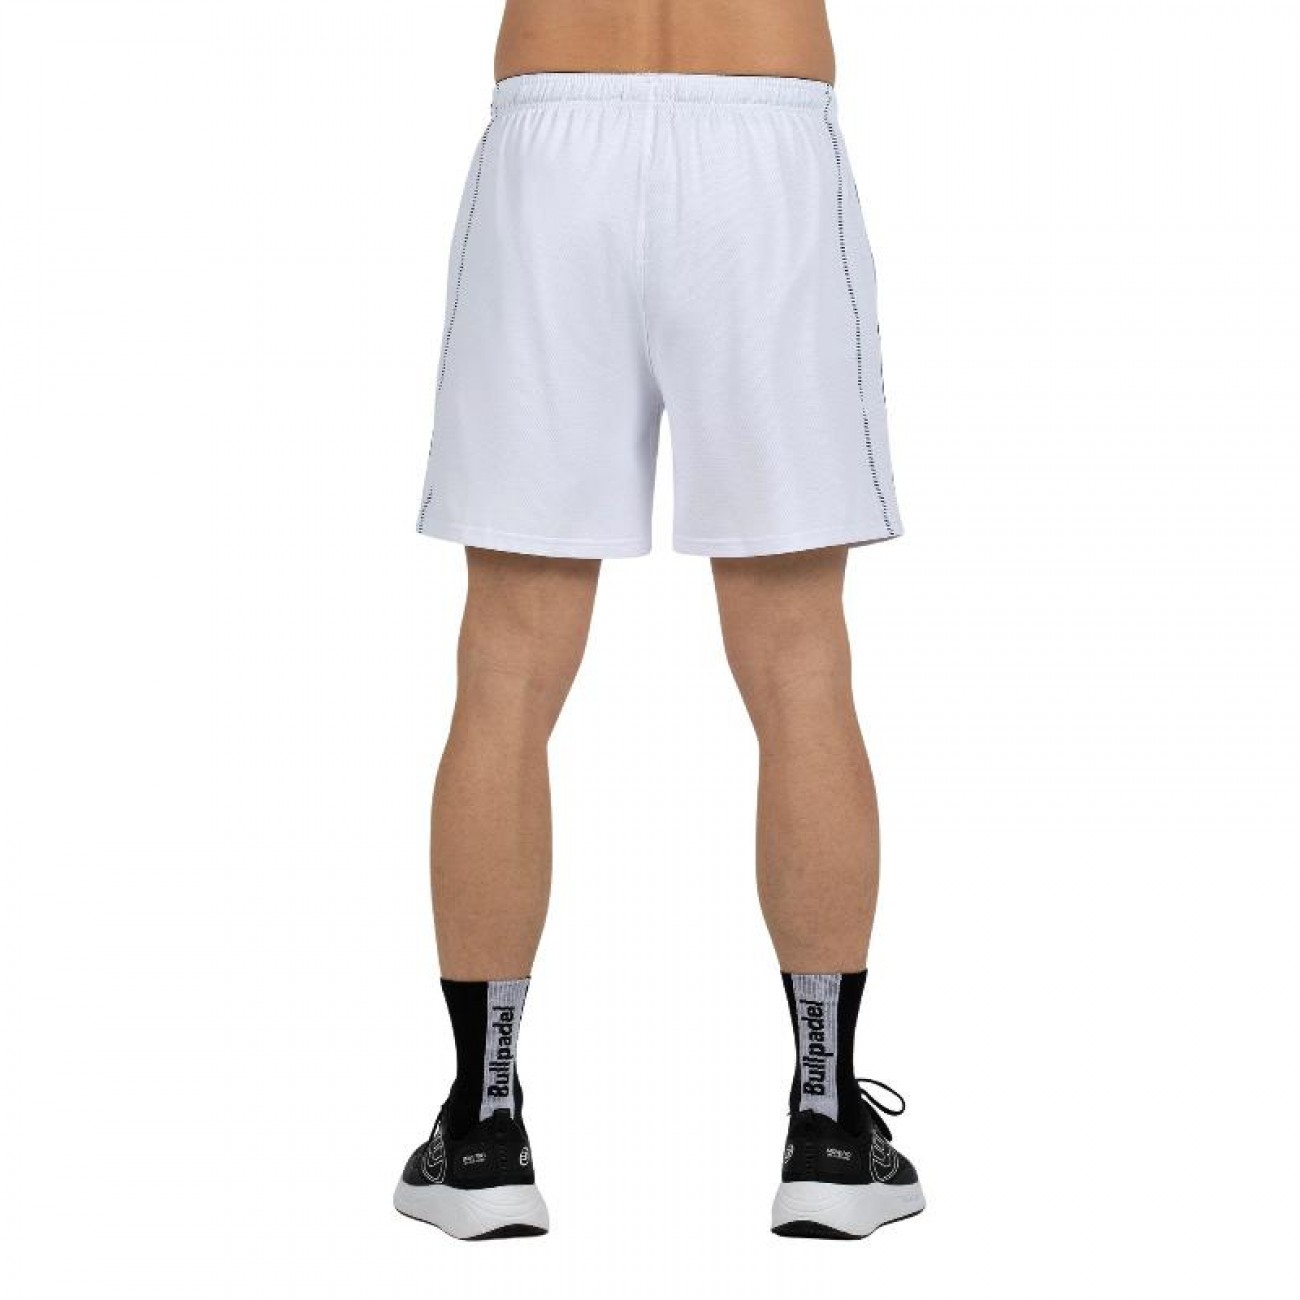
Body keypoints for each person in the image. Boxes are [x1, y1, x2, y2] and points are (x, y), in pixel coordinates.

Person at [394, 0, 923, 1241]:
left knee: (505, 660)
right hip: (761, 131)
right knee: (798, 659)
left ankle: (481, 1132)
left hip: (553, 135)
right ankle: (828, 1126)